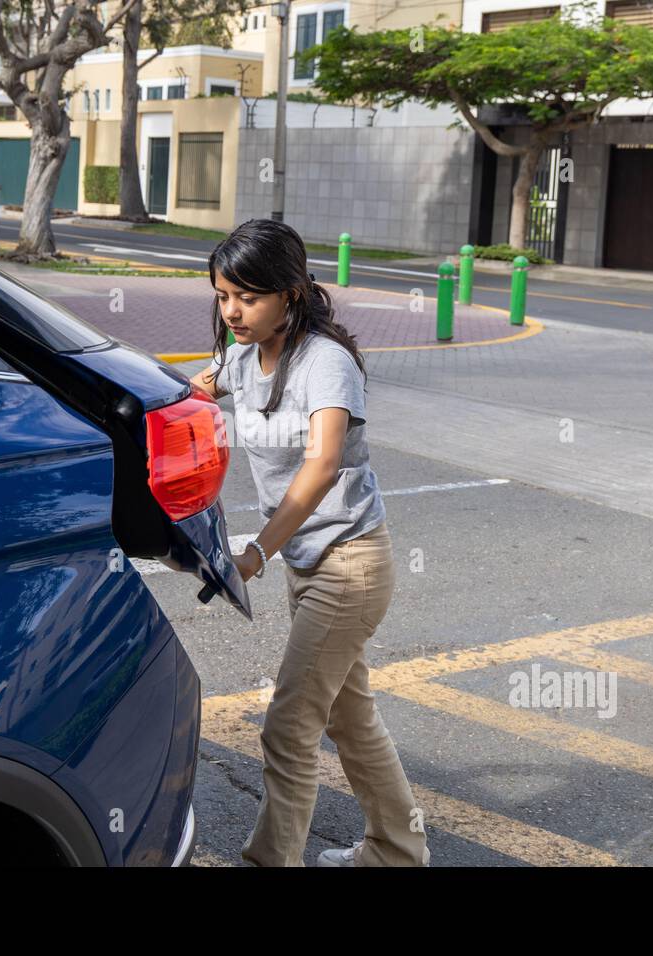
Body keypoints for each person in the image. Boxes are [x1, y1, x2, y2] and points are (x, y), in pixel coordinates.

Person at [187, 218, 429, 868]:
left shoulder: (327, 363)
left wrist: (256, 551)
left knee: (289, 725)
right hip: (307, 563)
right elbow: (184, 396)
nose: (233, 312)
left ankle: (272, 860)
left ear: (290, 292)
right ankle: (397, 853)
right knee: (352, 720)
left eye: (248, 297)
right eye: (222, 296)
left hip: (349, 566)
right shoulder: (243, 354)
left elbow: (321, 465)